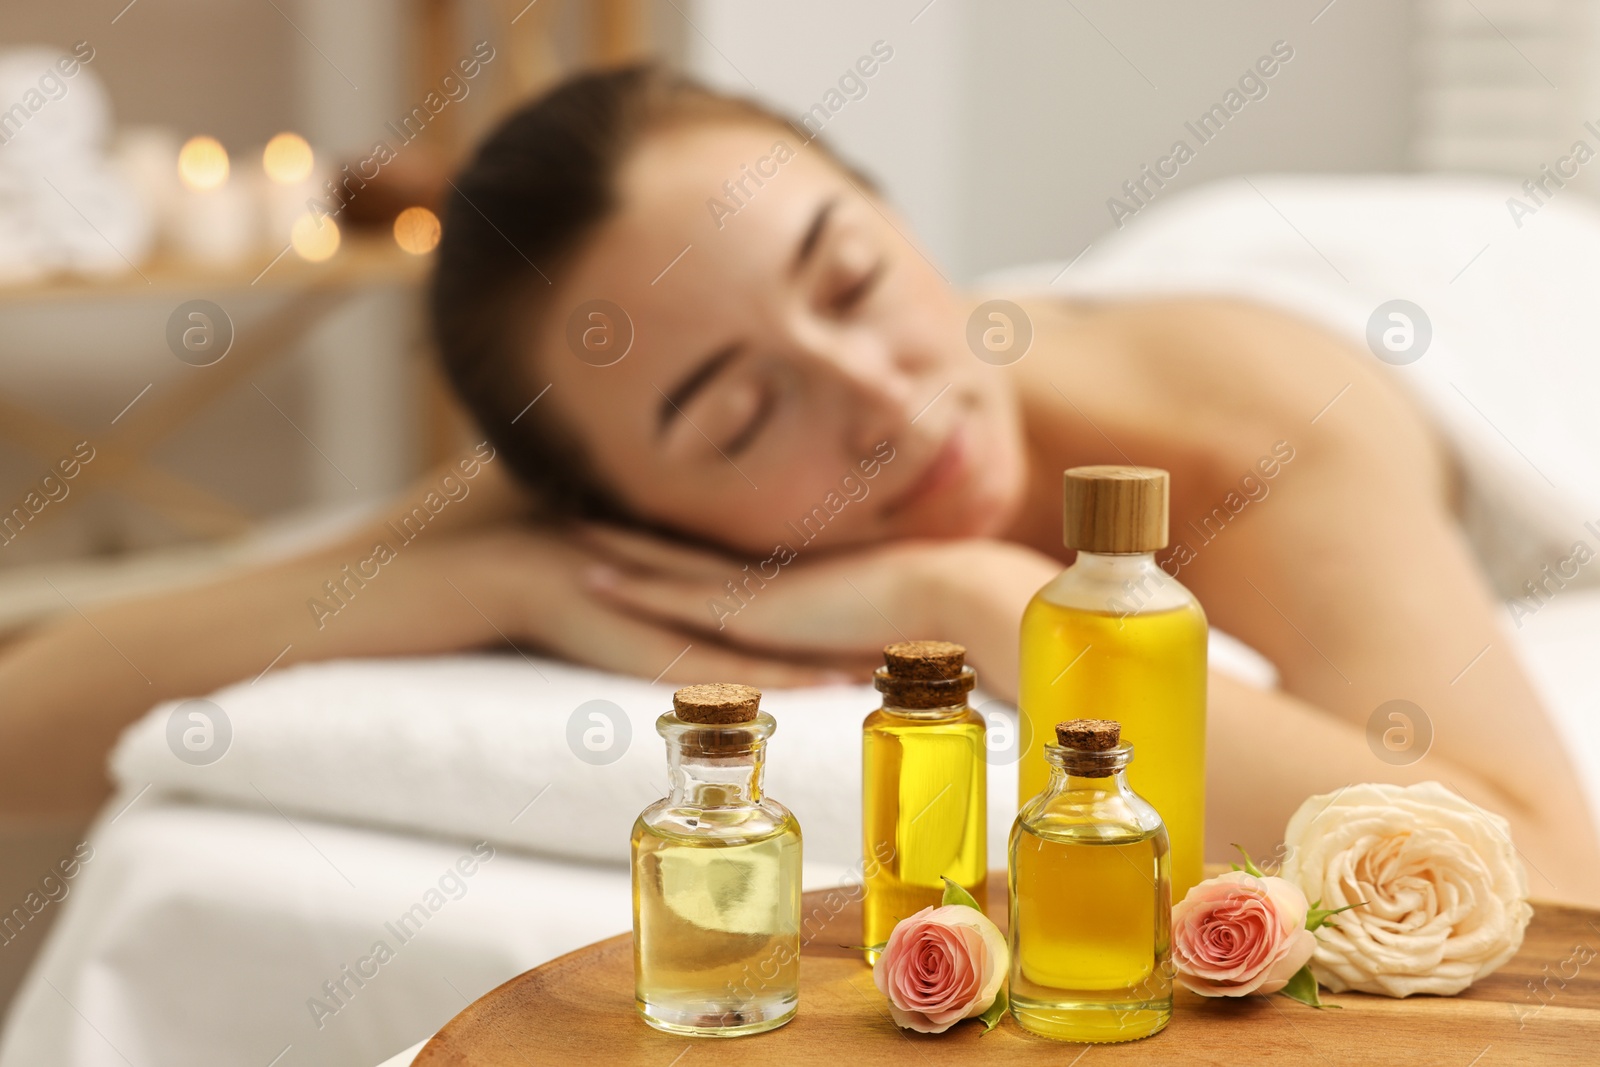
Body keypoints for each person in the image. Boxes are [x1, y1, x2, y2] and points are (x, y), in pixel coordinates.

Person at [3, 65, 1595, 904]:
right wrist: (508, 578)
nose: (887, 404)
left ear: (891, 213)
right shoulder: (604, 454)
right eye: (737, 410)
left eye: (849, 275)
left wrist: (969, 603)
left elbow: (1534, 872)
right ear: (622, 505)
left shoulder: (1253, 433)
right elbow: (31, 719)